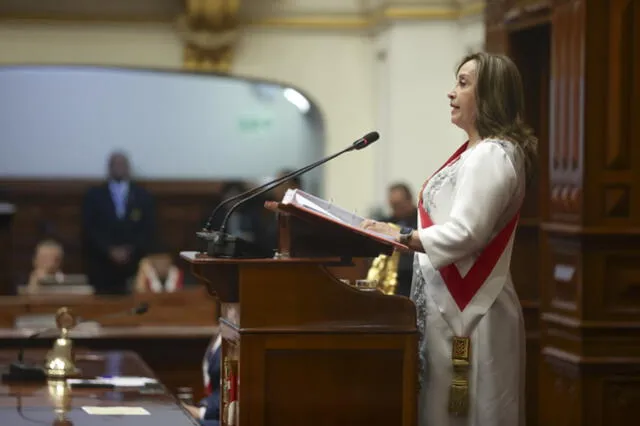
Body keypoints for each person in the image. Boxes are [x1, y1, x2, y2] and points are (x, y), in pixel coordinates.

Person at [361, 52, 537, 426]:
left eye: (463, 83)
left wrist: (402, 235)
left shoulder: (491, 153)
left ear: (490, 93)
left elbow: (467, 232)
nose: (451, 92)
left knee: (469, 412)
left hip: (471, 310)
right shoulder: (477, 152)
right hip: (451, 304)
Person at [82, 151, 156, 295]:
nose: (119, 167)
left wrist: (130, 250)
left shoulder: (142, 196)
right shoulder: (94, 195)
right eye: (115, 164)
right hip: (102, 264)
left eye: (122, 164)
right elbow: (89, 229)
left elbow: (148, 228)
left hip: (134, 262)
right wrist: (109, 250)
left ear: (129, 167)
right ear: (109, 168)